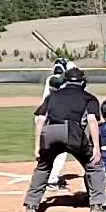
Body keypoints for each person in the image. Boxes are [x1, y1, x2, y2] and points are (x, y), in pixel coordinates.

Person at [24, 67, 106, 212]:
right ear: (83, 82)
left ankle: (31, 204)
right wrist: (96, 147)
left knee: (43, 167)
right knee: (94, 166)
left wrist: (38, 146)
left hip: (49, 132)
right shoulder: (89, 98)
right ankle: (97, 205)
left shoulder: (52, 96)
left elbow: (41, 120)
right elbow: (92, 121)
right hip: (72, 131)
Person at [40, 58, 77, 190]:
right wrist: (71, 67)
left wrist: (69, 67)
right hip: (50, 118)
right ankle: (51, 180)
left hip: (47, 118)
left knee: (51, 150)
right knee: (60, 151)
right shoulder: (53, 80)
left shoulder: (58, 80)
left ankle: (46, 177)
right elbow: (65, 80)